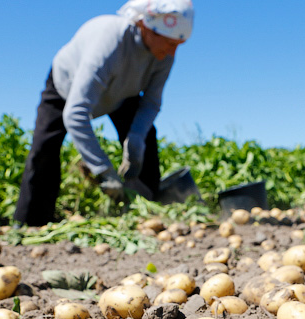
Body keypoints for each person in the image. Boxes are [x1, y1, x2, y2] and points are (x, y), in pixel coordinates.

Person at [14, 0, 194, 226]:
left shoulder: (164, 55)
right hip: (67, 89)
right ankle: (30, 224)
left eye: (178, 44)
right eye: (169, 43)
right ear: (147, 27)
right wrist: (104, 171)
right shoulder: (110, 41)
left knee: (146, 136)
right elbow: (76, 113)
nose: (172, 51)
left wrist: (135, 141)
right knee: (44, 148)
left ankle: (144, 209)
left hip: (122, 94)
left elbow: (151, 103)